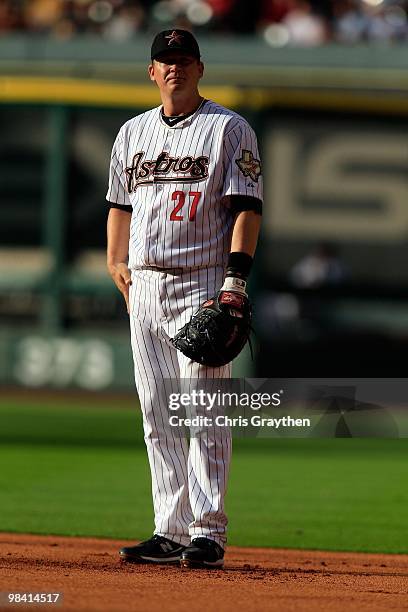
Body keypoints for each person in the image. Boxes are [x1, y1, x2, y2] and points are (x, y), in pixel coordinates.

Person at [106, 28, 262, 569]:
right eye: (164, 59)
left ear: (200, 68)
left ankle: (208, 533)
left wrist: (234, 283)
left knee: (203, 408)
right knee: (157, 412)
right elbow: (119, 204)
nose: (174, 67)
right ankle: (169, 530)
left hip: (202, 280)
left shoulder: (229, 129)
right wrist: (114, 260)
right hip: (144, 284)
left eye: (183, 59)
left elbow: (246, 207)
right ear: (151, 71)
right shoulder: (131, 133)